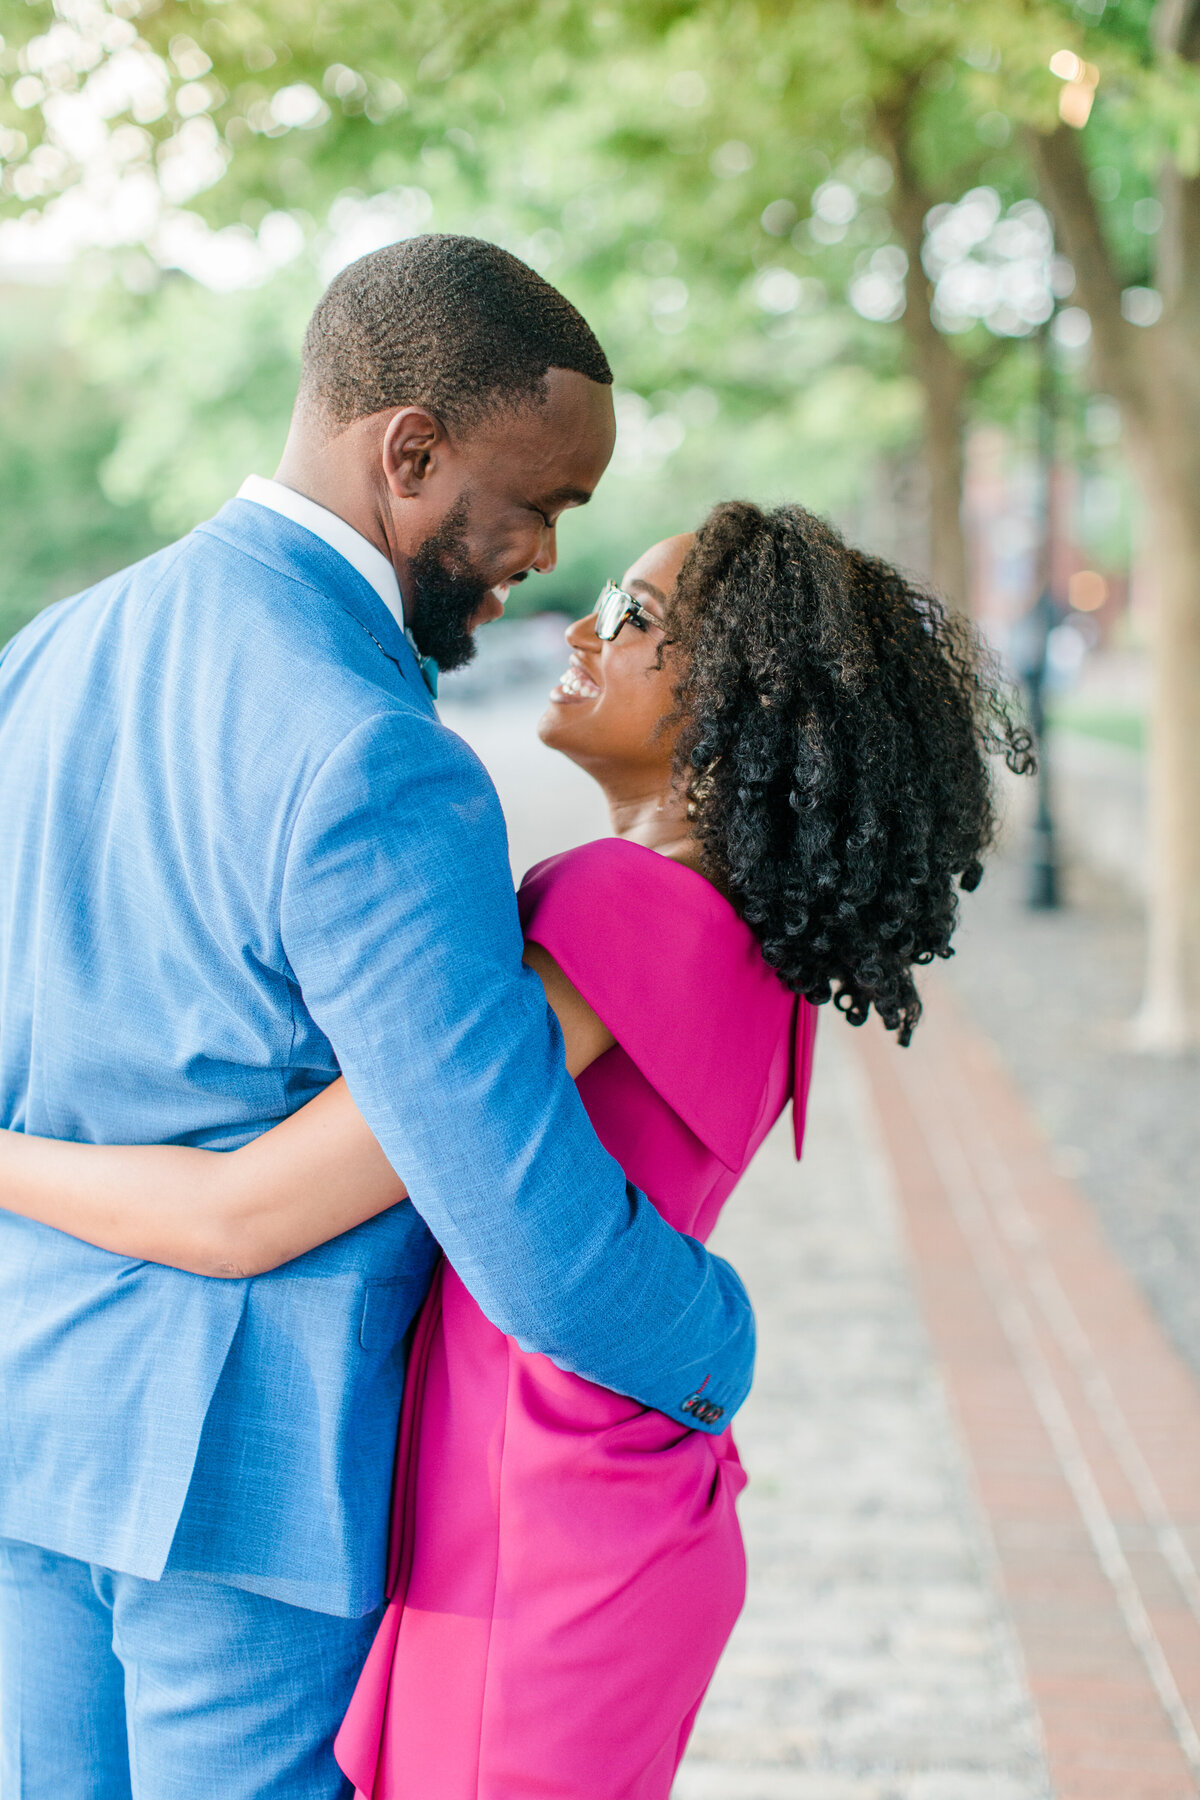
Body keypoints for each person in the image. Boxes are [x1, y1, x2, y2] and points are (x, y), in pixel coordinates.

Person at [0, 502, 1033, 1795]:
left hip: (537, 1519)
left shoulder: (620, 911)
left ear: (746, 705)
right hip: (597, 1495)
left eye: (640, 619)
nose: (589, 624)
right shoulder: (745, 939)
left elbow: (251, 1209)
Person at [0, 237, 759, 1800]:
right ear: (409, 452)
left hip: (31, 1415)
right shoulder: (375, 756)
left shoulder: (47, 658)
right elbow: (525, 1224)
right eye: (539, 500)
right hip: (241, 1488)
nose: (543, 555)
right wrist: (721, 1344)